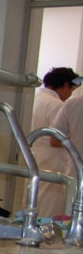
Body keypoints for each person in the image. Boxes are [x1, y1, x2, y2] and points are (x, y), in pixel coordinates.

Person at [31, 66, 80, 217]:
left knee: (35, 200)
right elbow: (55, 139)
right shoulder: (56, 104)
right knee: (51, 206)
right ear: (65, 85)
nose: (70, 94)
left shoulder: (36, 99)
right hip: (54, 161)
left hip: (36, 156)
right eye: (71, 89)